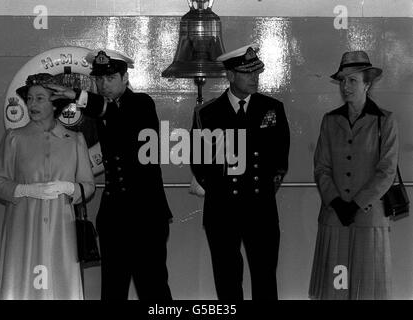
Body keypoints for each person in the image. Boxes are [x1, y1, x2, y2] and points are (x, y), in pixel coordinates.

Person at [48, 49, 173, 300]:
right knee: (113, 289)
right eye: (99, 79)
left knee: (153, 287)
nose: (103, 84)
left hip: (146, 215)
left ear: (125, 78)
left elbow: (121, 120)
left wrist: (79, 95)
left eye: (110, 78)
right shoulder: (96, 111)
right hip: (115, 216)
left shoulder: (141, 104)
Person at [190, 44, 290, 300]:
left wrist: (261, 189)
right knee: (227, 282)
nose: (254, 78)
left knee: (265, 280)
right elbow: (199, 163)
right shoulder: (207, 113)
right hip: (222, 211)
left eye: (256, 72)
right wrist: (222, 191)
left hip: (261, 209)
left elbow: (280, 159)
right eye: (247, 73)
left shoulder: (272, 108)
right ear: (231, 75)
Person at [0, 73, 95, 300]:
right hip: (23, 225)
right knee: (21, 283)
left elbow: (88, 186)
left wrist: (69, 187)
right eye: (29, 98)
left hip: (62, 227)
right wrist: (24, 190)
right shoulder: (14, 138)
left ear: (54, 103)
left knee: (61, 284)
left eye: (39, 98)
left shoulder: (74, 139)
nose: (30, 104)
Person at [309, 51, 399, 300]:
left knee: (368, 289)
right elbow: (321, 168)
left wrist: (357, 204)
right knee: (336, 288)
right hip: (335, 216)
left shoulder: (385, 121)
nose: (345, 86)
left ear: (367, 84)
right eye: (342, 80)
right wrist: (337, 202)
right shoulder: (330, 121)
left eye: (352, 80)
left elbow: (386, 171)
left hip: (369, 218)